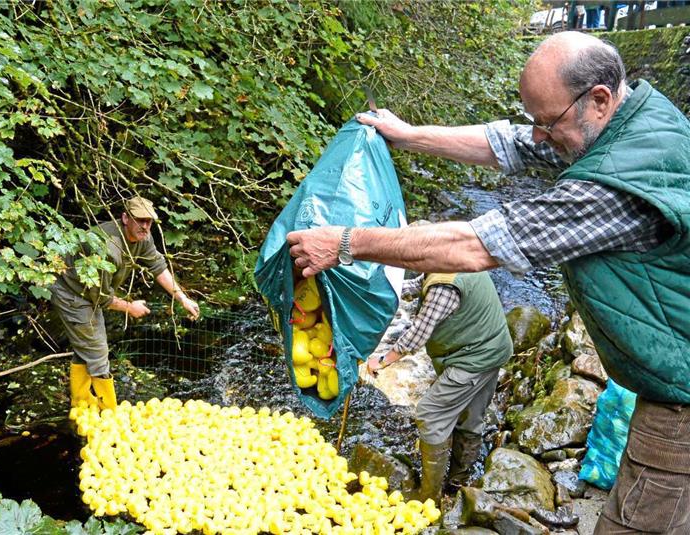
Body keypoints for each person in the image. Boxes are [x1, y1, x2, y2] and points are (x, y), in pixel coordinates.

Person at [287, 31, 689, 534]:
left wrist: (344, 242)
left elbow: (476, 246)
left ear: (600, 98)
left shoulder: (618, 184)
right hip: (664, 362)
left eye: (548, 122)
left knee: (635, 523)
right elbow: (509, 144)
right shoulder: (625, 125)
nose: (539, 136)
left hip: (680, 395)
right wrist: (408, 135)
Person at [367, 221, 513, 504]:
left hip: (474, 358)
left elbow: (416, 335)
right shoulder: (453, 257)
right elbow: (419, 285)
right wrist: (385, 292)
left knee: (431, 414)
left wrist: (382, 360)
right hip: (493, 347)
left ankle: (429, 496)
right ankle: (457, 484)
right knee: (471, 418)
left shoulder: (445, 287)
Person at [51, 196, 200, 410]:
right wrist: (130, 308)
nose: (145, 226)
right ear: (125, 218)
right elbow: (101, 297)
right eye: (140, 220)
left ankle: (81, 402)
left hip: (91, 290)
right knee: (98, 349)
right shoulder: (106, 247)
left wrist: (182, 298)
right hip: (72, 292)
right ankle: (108, 412)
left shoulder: (143, 237)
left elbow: (157, 265)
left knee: (87, 344)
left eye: (149, 221)